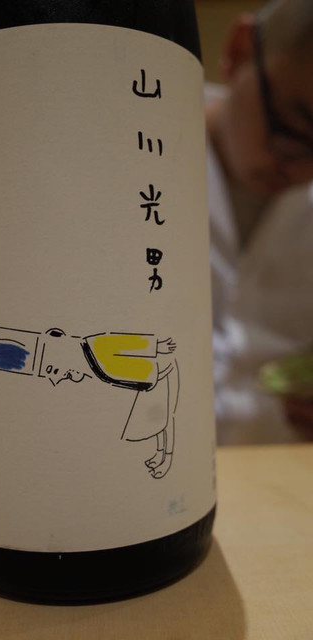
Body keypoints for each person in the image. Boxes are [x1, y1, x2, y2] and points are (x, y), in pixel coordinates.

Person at [205, 0, 313, 443]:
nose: (298, 169)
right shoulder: (118, 155)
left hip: (283, 472)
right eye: (290, 128)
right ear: (240, 49)